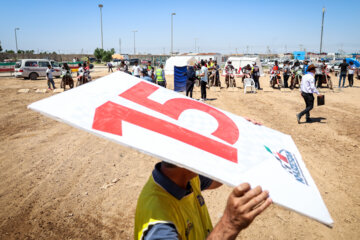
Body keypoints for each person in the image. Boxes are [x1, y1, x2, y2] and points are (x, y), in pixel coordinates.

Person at [134, 161, 272, 239]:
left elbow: (217, 180)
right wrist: (229, 225)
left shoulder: (185, 176)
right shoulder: (159, 226)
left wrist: (243, 142)